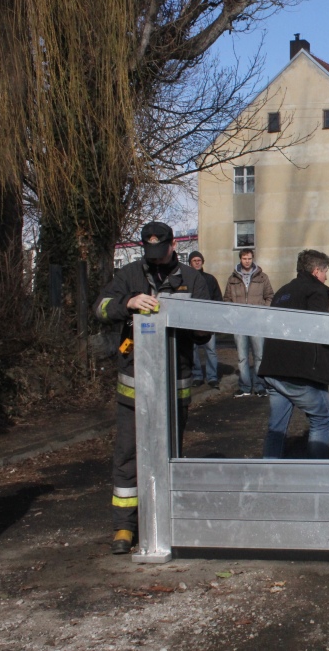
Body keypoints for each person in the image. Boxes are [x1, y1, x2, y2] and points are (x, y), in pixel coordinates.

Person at [93, 222, 210, 555]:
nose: (156, 258)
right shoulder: (129, 275)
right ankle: (124, 527)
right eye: (150, 251)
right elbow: (100, 307)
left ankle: (167, 522)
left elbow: (206, 331)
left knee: (170, 455)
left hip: (175, 384)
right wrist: (127, 303)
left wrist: (189, 319)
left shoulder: (192, 278)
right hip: (134, 388)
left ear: (173, 246)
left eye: (161, 251)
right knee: (128, 456)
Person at [256, 249, 329, 459]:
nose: (327, 277)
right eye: (326, 272)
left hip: (273, 369)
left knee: (276, 428)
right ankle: (315, 475)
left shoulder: (282, 292)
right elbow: (319, 326)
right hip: (299, 372)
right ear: (317, 271)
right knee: (322, 419)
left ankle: (269, 473)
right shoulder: (316, 290)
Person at [223, 249, 274, 397]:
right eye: (244, 258)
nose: (247, 261)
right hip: (239, 323)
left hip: (257, 322)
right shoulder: (232, 278)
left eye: (249, 258)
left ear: (253, 259)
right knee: (242, 357)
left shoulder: (262, 277)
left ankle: (259, 386)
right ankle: (245, 387)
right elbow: (226, 299)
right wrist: (233, 315)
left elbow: (270, 296)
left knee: (259, 356)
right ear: (240, 259)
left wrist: (262, 311)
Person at [187, 251, 223, 388]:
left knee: (211, 349)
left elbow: (218, 299)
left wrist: (216, 317)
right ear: (190, 262)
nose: (197, 262)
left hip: (208, 320)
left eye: (199, 260)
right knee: (193, 350)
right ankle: (197, 376)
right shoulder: (186, 279)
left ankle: (212, 377)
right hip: (191, 321)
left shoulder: (210, 279)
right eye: (194, 260)